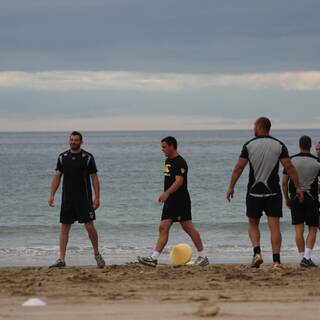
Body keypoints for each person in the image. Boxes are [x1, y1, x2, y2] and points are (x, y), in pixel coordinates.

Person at [226, 117, 303, 269]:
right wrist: (298, 187)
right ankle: (276, 261)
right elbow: (290, 167)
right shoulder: (279, 145)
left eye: (254, 126)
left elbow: (239, 167)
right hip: (273, 193)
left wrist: (231, 186)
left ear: (260, 126)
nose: (253, 128)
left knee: (253, 223)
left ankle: (257, 253)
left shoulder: (249, 145)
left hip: (254, 192)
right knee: (274, 226)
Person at [138, 136, 209, 267]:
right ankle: (153, 258)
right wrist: (167, 195)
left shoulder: (180, 162)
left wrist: (166, 193)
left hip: (180, 200)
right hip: (170, 200)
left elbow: (179, 181)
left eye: (164, 147)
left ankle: (203, 256)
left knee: (188, 227)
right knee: (163, 227)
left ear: (172, 146)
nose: (162, 149)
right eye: (162, 147)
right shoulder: (167, 161)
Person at [48, 131, 105, 268]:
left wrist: (97, 197)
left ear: (81, 142)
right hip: (67, 199)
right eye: (71, 139)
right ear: (69, 140)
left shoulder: (87, 157)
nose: (73, 142)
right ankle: (61, 259)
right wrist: (52, 194)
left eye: (76, 140)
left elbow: (94, 178)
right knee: (64, 228)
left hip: (84, 199)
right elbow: (57, 176)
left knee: (90, 227)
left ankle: (97, 254)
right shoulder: (62, 157)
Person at [282, 136, 320, 267]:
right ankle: (307, 257)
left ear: (299, 145)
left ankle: (302, 258)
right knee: (313, 228)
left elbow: (284, 183)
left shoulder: (291, 160)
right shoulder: (317, 162)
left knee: (298, 229)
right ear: (310, 146)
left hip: (295, 198)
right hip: (312, 198)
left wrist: (286, 198)